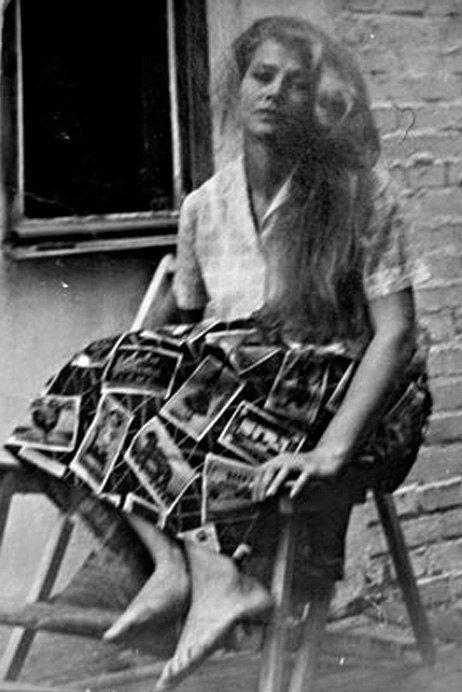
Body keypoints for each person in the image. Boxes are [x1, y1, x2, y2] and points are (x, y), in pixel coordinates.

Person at [5, 15, 431, 691]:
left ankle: (212, 576)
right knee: (87, 382)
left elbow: (397, 335)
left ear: (313, 100)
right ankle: (183, 569)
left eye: (295, 84)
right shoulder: (204, 206)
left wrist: (332, 452)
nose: (275, 93)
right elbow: (180, 323)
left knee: (141, 378)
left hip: (347, 395)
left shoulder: (358, 191)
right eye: (263, 76)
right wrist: (113, 369)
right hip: (238, 394)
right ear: (237, 86)